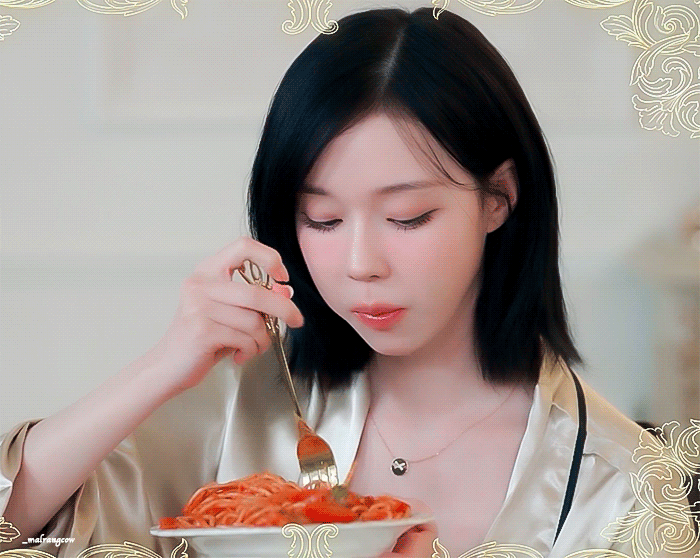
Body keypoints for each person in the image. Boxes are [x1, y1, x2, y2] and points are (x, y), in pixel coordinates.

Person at [1, 6, 697, 558]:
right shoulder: (239, 405)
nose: (361, 262)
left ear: (499, 199)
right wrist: (163, 364)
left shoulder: (622, 487)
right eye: (323, 219)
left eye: (408, 216)